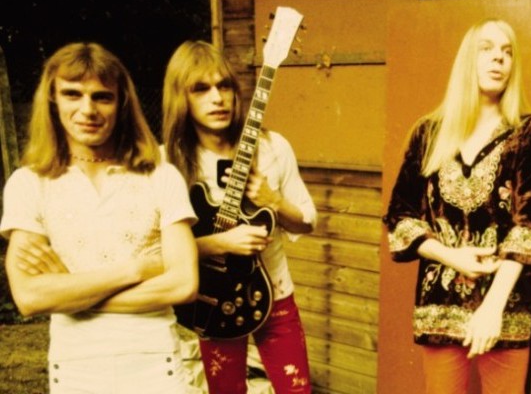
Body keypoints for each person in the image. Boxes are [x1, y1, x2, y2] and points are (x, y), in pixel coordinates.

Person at [0, 42, 199, 393]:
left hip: (157, 364)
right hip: (76, 368)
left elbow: (183, 285)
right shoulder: (29, 183)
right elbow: (31, 297)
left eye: (102, 97)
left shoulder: (161, 176)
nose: (87, 109)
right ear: (53, 100)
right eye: (72, 94)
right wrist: (135, 270)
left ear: (122, 102)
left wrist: (70, 292)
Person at [383, 19, 531, 394]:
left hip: (506, 304)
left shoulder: (528, 133)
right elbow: (400, 215)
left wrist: (492, 307)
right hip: (439, 304)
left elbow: (528, 225)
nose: (498, 58)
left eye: (507, 52)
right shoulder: (429, 133)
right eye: (486, 48)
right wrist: (451, 257)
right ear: (467, 60)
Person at [161, 40, 317, 394]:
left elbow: (307, 221)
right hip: (212, 299)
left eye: (224, 86)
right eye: (201, 89)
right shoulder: (168, 162)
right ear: (181, 98)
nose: (217, 98)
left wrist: (273, 200)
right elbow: (156, 251)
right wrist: (220, 243)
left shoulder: (273, 147)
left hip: (275, 296)